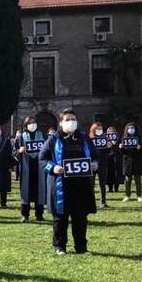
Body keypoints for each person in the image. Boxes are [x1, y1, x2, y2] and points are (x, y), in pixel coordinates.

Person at [39, 109, 98, 255]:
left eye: (73, 119)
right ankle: (60, 246)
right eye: (67, 119)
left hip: (81, 185)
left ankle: (81, 247)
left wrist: (95, 164)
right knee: (60, 218)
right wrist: (53, 167)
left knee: (80, 217)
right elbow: (42, 158)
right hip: (61, 185)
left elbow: (95, 156)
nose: (71, 122)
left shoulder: (84, 138)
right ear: (61, 122)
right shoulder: (53, 139)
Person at [14, 116, 47, 222]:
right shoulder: (21, 137)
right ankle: (25, 214)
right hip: (26, 167)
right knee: (25, 191)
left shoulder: (42, 136)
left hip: (39, 168)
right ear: (26, 125)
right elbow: (13, 153)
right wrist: (19, 151)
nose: (32, 124)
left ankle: (39, 214)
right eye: (30, 123)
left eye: (34, 122)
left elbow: (48, 150)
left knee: (40, 190)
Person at [88, 122, 110, 208]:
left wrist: (109, 147)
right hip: (92, 165)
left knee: (102, 184)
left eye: (100, 129)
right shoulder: (89, 139)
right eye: (97, 129)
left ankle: (103, 201)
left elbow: (108, 153)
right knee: (91, 184)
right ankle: (90, 202)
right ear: (93, 129)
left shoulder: (105, 139)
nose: (99, 131)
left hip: (103, 164)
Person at [120, 122, 142, 202]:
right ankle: (127, 195)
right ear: (127, 129)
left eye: (132, 128)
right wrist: (121, 148)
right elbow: (122, 152)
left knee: (138, 179)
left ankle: (139, 195)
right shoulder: (124, 138)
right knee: (127, 180)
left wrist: (140, 148)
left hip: (137, 161)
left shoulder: (139, 138)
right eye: (129, 128)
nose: (131, 130)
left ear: (135, 129)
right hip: (127, 162)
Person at [106, 126, 123, 193]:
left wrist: (115, 144)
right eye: (109, 132)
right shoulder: (105, 139)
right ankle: (110, 188)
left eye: (112, 131)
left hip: (117, 157)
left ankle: (116, 188)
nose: (111, 133)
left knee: (117, 173)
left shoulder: (118, 139)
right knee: (109, 173)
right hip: (108, 158)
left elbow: (120, 148)